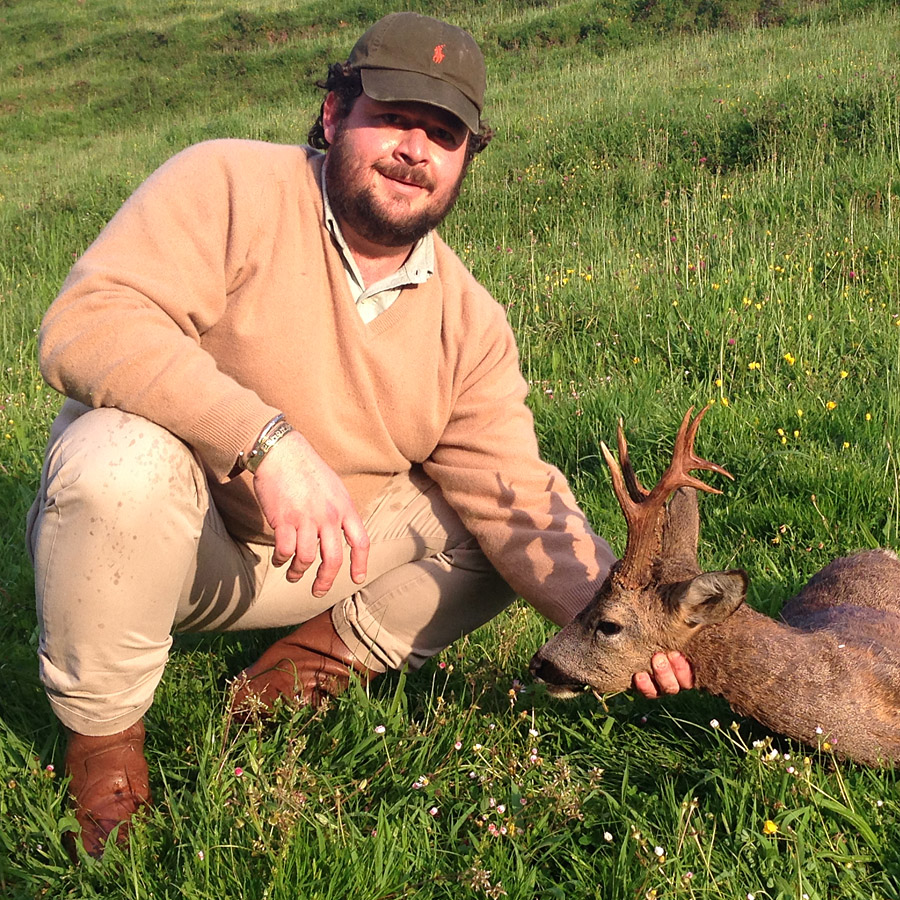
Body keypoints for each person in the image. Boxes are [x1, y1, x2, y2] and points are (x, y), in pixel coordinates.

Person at [26, 11, 692, 860]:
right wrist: (266, 441)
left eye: (443, 134)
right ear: (335, 112)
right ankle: (105, 743)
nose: (415, 149)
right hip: (164, 544)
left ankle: (315, 660)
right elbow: (89, 323)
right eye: (394, 117)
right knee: (115, 456)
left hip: (315, 559)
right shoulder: (227, 184)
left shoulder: (469, 322)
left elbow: (515, 497)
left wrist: (636, 625)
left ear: (466, 157)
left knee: (491, 526)